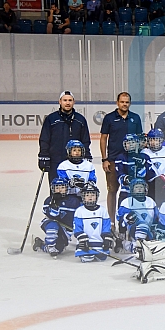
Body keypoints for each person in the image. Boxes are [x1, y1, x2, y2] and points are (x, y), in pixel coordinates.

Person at [100, 92, 143, 230]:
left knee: (131, 190)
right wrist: (104, 159)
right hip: (113, 160)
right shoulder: (109, 118)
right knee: (112, 190)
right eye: (122, 102)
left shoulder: (135, 118)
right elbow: (103, 138)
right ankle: (111, 223)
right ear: (117, 102)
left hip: (131, 160)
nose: (125, 104)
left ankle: (129, 221)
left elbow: (140, 138)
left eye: (127, 102)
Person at [38, 91, 91, 186]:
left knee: (76, 188)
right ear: (60, 101)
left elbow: (85, 140)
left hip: (75, 161)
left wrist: (87, 155)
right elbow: (44, 139)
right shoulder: (51, 119)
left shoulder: (80, 120)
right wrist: (43, 155)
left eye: (70, 100)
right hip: (55, 160)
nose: (67, 103)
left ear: (74, 102)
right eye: (65, 100)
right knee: (57, 189)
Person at [73, 183, 113, 263]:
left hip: (99, 243)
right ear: (83, 197)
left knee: (102, 258)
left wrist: (107, 238)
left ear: (97, 196)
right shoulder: (79, 211)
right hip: (85, 243)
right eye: (87, 195)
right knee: (87, 259)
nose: (90, 197)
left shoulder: (102, 210)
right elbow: (77, 228)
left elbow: (106, 226)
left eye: (92, 195)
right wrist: (82, 239)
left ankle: (98, 252)